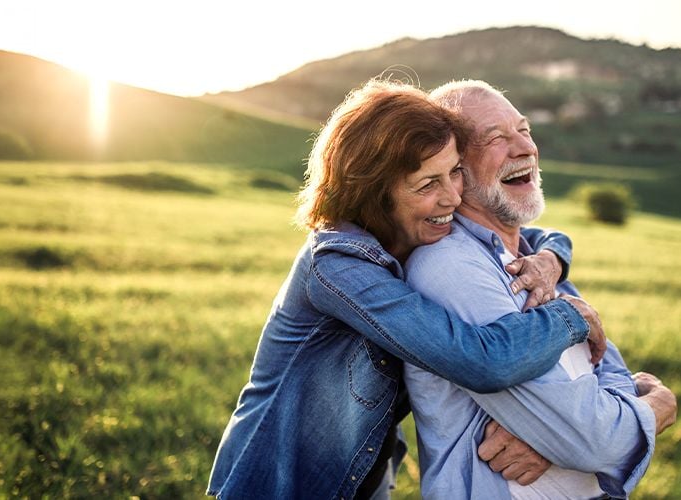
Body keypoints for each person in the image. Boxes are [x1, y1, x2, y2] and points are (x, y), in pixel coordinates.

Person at [206, 79, 607, 499]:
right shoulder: (337, 266)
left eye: (454, 172)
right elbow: (480, 362)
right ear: (375, 194)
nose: (453, 198)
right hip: (282, 485)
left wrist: (551, 258)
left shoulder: (412, 232)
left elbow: (533, 236)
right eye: (428, 184)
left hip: (365, 479)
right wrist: (571, 316)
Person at [400, 80, 679, 499]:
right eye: (496, 138)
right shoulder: (451, 268)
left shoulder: (537, 262)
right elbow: (594, 441)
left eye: (524, 130)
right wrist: (658, 407)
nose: (525, 148)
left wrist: (559, 440)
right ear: (455, 169)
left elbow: (607, 371)